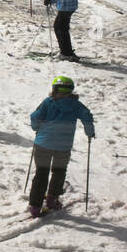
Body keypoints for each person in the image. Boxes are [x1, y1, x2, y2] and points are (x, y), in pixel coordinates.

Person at [27, 76, 94, 218]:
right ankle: (52, 199)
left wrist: (36, 127)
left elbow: (35, 117)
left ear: (54, 89)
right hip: (63, 147)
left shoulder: (48, 102)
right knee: (59, 172)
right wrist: (90, 132)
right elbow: (87, 116)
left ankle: (35, 206)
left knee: (41, 173)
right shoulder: (76, 105)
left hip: (43, 144)